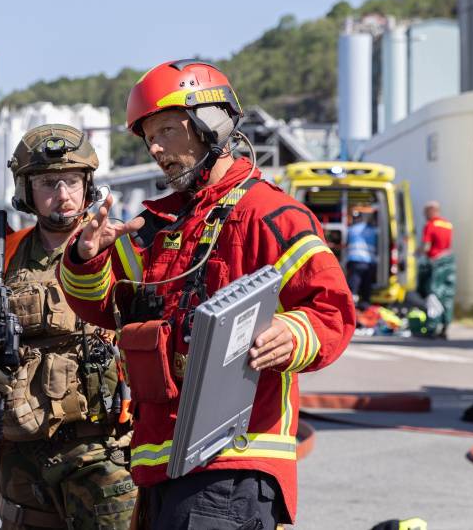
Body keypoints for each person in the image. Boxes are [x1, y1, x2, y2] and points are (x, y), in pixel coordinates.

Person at [59, 60, 355, 530]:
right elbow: (102, 309)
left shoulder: (271, 215)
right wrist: (86, 258)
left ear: (211, 123)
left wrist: (291, 333)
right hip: (160, 466)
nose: (156, 148)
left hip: (232, 465)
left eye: (166, 131)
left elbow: (331, 311)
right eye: (148, 138)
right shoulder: (154, 227)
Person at [0, 125, 136, 530]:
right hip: (21, 459)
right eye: (48, 183)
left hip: (103, 451)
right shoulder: (3, 259)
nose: (63, 193)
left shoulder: (118, 247)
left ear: (88, 186)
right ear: (27, 190)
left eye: (72, 181)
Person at [411, 200, 456, 337]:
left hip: (436, 264)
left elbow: (426, 247)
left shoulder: (430, 225)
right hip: (449, 263)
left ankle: (431, 327)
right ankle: (445, 326)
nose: (424, 215)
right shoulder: (448, 224)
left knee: (433, 295)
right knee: (447, 295)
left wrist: (415, 253)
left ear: (431, 211)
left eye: (425, 212)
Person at [345, 206, 378, 305]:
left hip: (355, 261)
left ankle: (352, 305)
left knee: (353, 285)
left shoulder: (351, 229)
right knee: (366, 286)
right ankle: (365, 305)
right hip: (369, 262)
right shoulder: (373, 231)